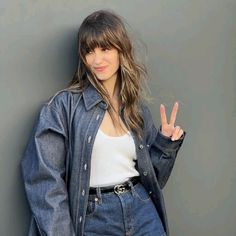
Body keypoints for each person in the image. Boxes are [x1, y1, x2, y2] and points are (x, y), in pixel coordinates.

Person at [21, 9, 186, 236]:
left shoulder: (135, 109)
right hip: (95, 217)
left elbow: (153, 180)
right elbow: (43, 180)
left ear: (121, 50)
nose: (97, 60)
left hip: (141, 210)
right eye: (89, 51)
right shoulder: (62, 107)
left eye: (105, 48)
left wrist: (165, 145)